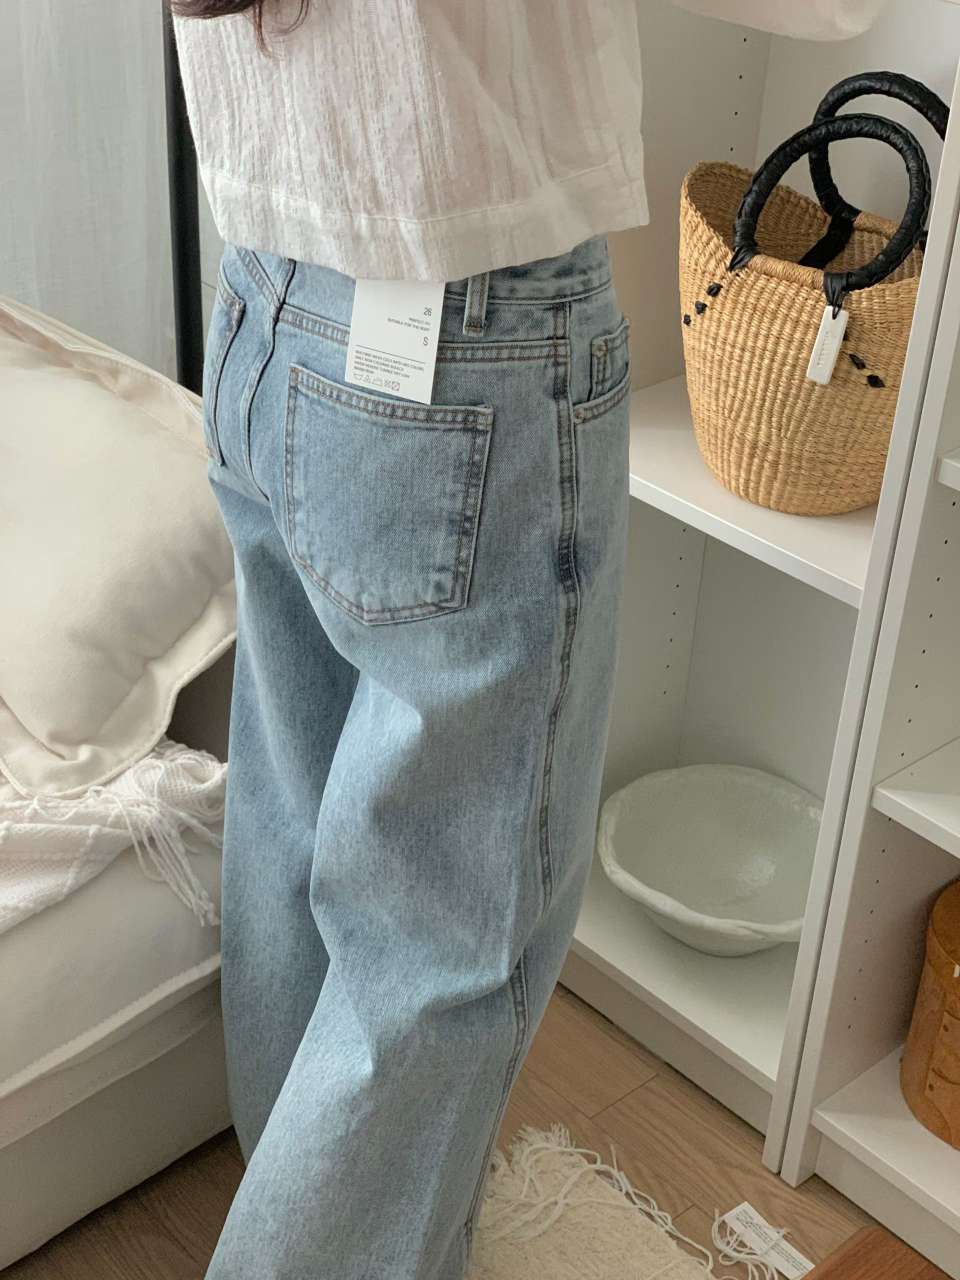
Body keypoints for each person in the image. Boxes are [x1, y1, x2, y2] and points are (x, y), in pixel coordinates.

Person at [169, 2, 865, 1276]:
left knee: (297, 832)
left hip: (268, 305)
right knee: (442, 938)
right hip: (462, 339)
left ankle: (334, 1225)